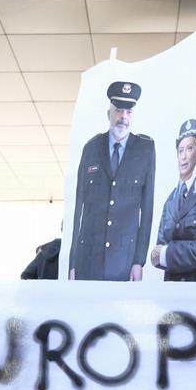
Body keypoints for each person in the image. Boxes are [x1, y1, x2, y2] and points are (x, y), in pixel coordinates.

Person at [69, 81, 155, 281]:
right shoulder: (91, 148)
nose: (123, 117)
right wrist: (73, 262)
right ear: (109, 114)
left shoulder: (145, 149)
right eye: (118, 110)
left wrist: (138, 261)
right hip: (88, 260)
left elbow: (147, 210)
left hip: (124, 262)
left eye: (128, 112)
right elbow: (77, 209)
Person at [151, 119, 196, 282]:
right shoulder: (170, 201)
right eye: (180, 150)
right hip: (171, 290)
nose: (184, 156)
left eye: (190, 148)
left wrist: (167, 253)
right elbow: (156, 255)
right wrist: (166, 254)